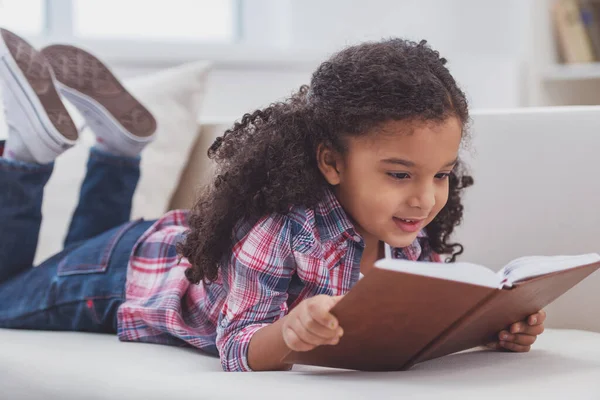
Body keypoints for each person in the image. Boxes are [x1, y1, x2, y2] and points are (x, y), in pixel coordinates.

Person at [0, 28, 546, 372]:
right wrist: (287, 333)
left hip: (149, 248)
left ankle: (120, 152)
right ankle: (29, 156)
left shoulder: (405, 233)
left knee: (66, 254)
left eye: (443, 174)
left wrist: (494, 326)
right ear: (331, 161)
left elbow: (417, 323)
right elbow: (237, 346)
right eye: (400, 173)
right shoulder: (282, 230)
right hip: (121, 276)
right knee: (4, 299)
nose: (425, 198)